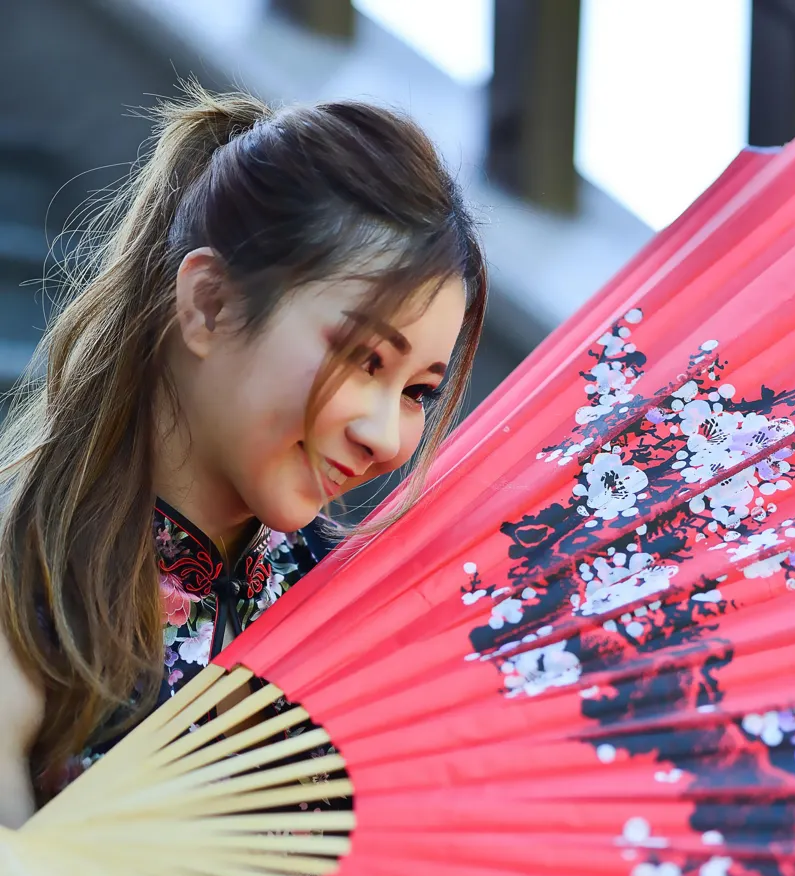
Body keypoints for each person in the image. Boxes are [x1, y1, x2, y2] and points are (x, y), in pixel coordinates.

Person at [0, 82, 487, 827]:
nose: (385, 436)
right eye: (364, 358)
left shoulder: (360, 618)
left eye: (419, 390)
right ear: (210, 306)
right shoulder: (29, 599)